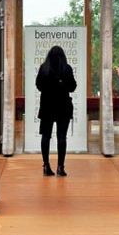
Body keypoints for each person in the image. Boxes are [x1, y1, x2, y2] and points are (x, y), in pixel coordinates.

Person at [35, 45, 77, 177]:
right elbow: (72, 87)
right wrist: (62, 84)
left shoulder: (44, 68)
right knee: (62, 137)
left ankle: (46, 165)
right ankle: (60, 167)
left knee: (45, 136)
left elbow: (38, 85)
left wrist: (48, 88)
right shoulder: (66, 68)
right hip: (63, 107)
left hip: (47, 106)